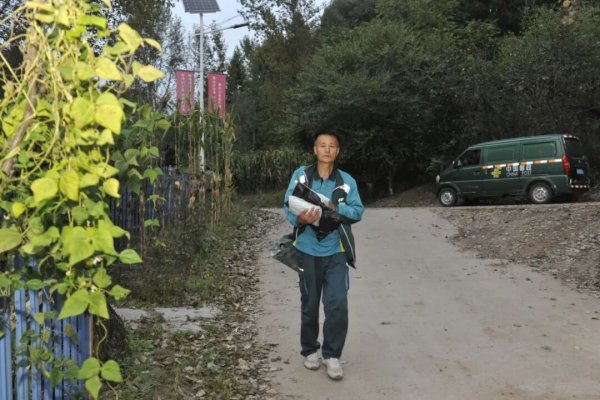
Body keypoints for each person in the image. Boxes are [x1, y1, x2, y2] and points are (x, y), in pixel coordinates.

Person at [283, 132, 364, 380]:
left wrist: (335, 207)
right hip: (307, 250)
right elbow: (288, 203)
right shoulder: (302, 176)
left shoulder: (347, 181)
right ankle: (310, 350)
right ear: (315, 150)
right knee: (309, 304)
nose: (327, 149)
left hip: (336, 252)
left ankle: (332, 355)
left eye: (332, 146)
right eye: (322, 145)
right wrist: (300, 218)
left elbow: (358, 210)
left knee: (337, 304)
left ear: (337, 151)